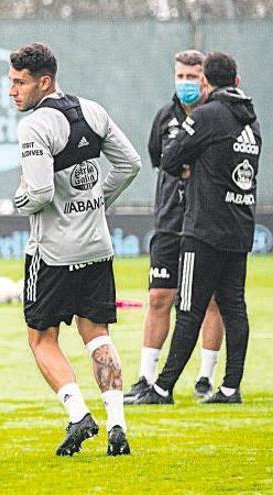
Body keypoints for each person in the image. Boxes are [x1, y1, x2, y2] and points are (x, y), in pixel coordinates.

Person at [9, 43, 141, 457]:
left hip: (52, 253)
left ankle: (78, 414)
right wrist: (97, 199)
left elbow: (41, 191)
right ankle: (117, 425)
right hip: (97, 247)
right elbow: (130, 164)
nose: (12, 91)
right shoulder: (93, 110)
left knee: (41, 338)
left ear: (43, 81)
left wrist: (18, 201)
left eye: (19, 83)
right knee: (96, 335)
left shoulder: (35, 127)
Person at [132, 52, 260, 406]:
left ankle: (162, 388)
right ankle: (230, 387)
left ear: (207, 82)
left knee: (188, 308)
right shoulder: (251, 120)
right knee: (234, 306)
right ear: (236, 81)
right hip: (239, 224)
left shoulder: (207, 116)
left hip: (202, 227)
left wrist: (192, 166)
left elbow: (170, 158)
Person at [124, 50, 225, 403]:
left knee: (211, 301)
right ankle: (146, 378)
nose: (185, 83)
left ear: (205, 80)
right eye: (180, 76)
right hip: (169, 221)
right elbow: (161, 160)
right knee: (158, 298)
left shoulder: (217, 117)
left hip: (207, 223)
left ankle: (204, 377)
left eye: (192, 77)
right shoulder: (165, 117)